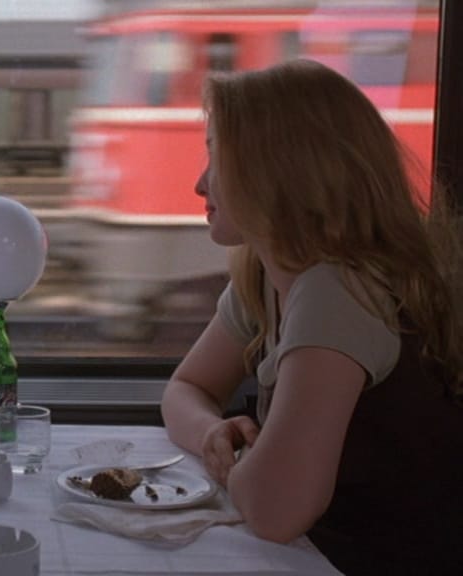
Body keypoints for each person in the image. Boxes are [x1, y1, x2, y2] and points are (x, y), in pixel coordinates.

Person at [160, 59, 463, 574]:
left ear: (277, 169)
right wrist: (213, 431)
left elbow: (277, 510)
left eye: (217, 156)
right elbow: (186, 388)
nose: (199, 183)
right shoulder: (264, 277)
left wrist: (236, 464)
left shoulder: (339, 289)